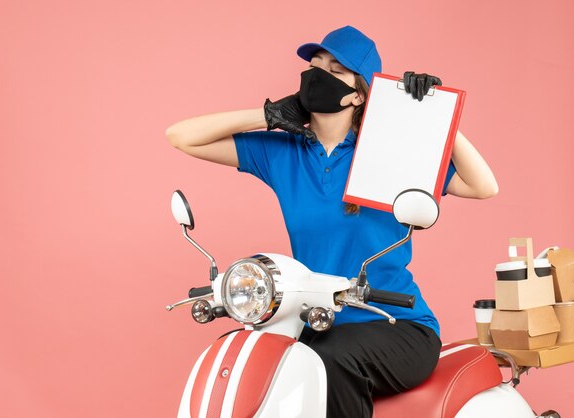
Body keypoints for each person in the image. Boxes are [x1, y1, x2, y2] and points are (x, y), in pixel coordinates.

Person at [166, 25, 498, 418]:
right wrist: (269, 114)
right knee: (254, 357)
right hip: (317, 322)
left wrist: (434, 115)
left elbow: (483, 186)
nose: (318, 74)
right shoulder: (286, 152)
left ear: (359, 94)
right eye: (314, 65)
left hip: (396, 324)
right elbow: (182, 136)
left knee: (327, 363)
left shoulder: (391, 154)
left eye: (335, 69)